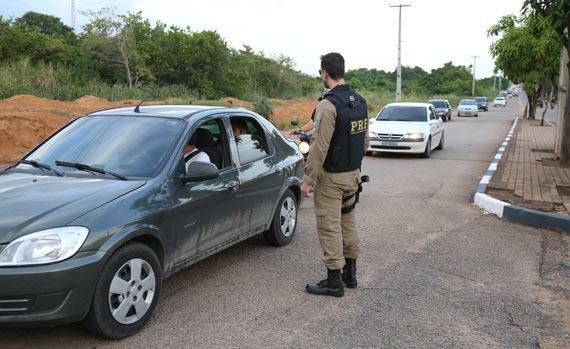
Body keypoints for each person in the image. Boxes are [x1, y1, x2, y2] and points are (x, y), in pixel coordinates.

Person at [302, 52, 369, 297]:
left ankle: (333, 282)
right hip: (353, 174)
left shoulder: (327, 105)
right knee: (348, 222)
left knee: (329, 227)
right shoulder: (360, 101)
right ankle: (350, 274)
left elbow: (319, 146)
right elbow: (364, 140)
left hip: (331, 179)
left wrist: (309, 179)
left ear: (325, 73)